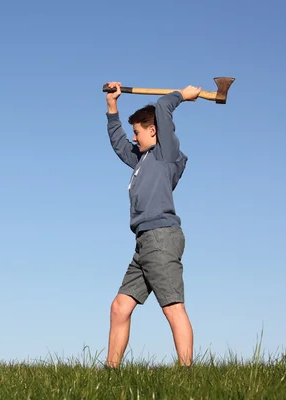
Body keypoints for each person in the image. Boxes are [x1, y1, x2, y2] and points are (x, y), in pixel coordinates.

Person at [104, 81, 201, 367]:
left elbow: (162, 106)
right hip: (144, 242)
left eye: (138, 132)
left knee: (172, 307)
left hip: (161, 237)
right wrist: (112, 106)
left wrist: (183, 95)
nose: (134, 138)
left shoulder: (165, 154)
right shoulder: (142, 160)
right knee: (120, 307)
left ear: (153, 130)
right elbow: (120, 144)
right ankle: (110, 372)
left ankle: (187, 373)